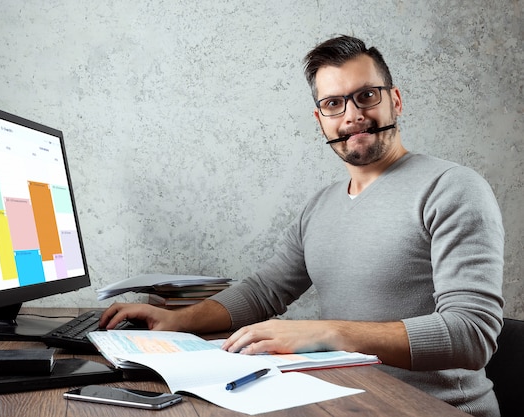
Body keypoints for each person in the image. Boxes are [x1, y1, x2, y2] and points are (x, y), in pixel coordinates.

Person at [99, 35, 504, 417]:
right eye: (334, 104)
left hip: (432, 408)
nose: (353, 116)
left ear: (394, 100)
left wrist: (325, 334)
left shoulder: (452, 188)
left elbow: (471, 334)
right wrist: (178, 321)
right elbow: (264, 291)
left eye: (366, 96)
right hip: (344, 397)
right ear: (320, 119)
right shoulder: (320, 205)